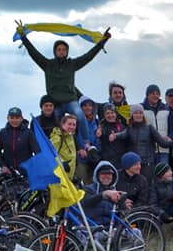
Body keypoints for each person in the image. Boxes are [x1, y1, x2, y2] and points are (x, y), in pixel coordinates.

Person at [15, 19, 111, 148]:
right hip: (55, 102)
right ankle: (56, 146)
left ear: (67, 52)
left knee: (79, 115)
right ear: (55, 51)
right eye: (59, 49)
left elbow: (89, 56)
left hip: (70, 100)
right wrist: (24, 37)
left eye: (64, 50)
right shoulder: (47, 64)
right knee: (56, 125)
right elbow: (34, 53)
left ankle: (86, 142)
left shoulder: (72, 64)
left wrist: (102, 41)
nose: (61, 52)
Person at [120, 103, 173, 181]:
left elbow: (162, 143)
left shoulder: (149, 128)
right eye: (136, 113)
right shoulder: (129, 129)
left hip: (148, 163)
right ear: (132, 115)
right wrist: (114, 136)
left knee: (148, 185)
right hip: (134, 164)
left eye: (140, 113)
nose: (138, 115)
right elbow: (121, 135)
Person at [80, 161, 123, 227]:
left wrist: (123, 204)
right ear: (97, 175)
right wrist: (103, 194)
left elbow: (119, 215)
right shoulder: (88, 189)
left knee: (136, 232)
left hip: (111, 230)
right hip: (92, 229)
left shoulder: (116, 191)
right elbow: (86, 202)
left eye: (109, 174)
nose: (106, 176)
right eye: (103, 174)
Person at [0, 107, 32, 176]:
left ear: (21, 118)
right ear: (8, 118)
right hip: (8, 173)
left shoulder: (29, 133)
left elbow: (37, 151)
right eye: (12, 118)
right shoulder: (3, 133)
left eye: (17, 118)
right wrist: (3, 166)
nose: (14, 120)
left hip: (27, 173)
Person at [149, 162, 173, 227]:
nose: (171, 173)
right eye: (168, 172)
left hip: (171, 208)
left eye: (170, 171)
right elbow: (152, 205)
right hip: (160, 212)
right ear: (161, 175)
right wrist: (161, 213)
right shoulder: (154, 186)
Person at [156, 88, 173, 171]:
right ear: (166, 98)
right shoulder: (160, 111)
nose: (172, 98)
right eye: (170, 96)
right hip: (164, 147)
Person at [75, 96, 100, 184]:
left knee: (93, 187)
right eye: (84, 105)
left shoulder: (97, 122)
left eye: (90, 105)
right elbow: (74, 138)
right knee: (82, 187)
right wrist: (82, 148)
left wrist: (95, 148)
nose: (88, 108)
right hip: (81, 159)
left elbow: (98, 140)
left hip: (94, 159)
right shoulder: (76, 122)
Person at [49, 113, 79, 182]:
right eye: (69, 124)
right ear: (62, 124)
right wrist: (62, 163)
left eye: (74, 125)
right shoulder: (57, 138)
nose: (71, 127)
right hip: (59, 176)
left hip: (69, 176)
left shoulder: (70, 136)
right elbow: (50, 155)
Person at [96, 103, 128, 169]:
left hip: (121, 161)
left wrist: (116, 135)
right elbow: (99, 133)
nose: (110, 115)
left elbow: (126, 133)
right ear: (104, 115)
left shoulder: (121, 125)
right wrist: (98, 133)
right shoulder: (102, 126)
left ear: (116, 114)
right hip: (108, 161)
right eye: (107, 113)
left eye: (112, 113)